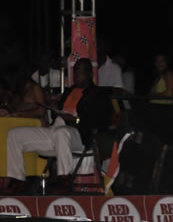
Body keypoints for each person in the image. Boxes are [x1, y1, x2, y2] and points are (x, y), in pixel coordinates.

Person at [1, 58, 113, 195]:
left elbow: (101, 121)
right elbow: (58, 113)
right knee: (15, 134)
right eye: (75, 72)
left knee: (62, 132)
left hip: (78, 135)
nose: (77, 76)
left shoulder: (97, 94)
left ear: (90, 75)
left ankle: (63, 180)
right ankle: (18, 180)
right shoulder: (70, 91)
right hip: (57, 130)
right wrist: (54, 108)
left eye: (81, 73)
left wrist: (76, 120)